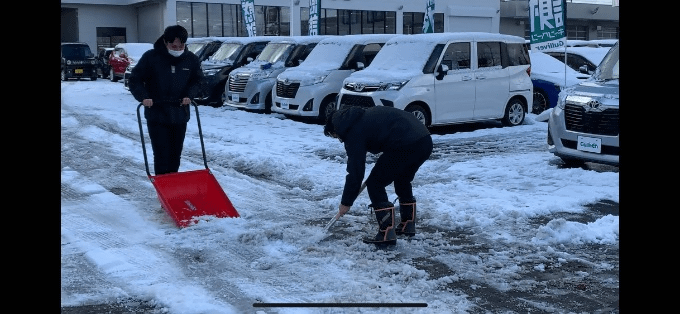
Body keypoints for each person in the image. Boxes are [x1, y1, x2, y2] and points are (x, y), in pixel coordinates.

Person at [324, 106, 433, 246]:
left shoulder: (352, 131)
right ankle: (407, 225)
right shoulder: (360, 117)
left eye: (337, 137)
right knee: (402, 178)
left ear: (336, 129)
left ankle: (386, 232)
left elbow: (356, 171)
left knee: (375, 183)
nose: (340, 140)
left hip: (405, 144)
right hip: (424, 141)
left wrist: (346, 202)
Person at [128, 25, 204, 175]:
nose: (177, 49)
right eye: (173, 46)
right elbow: (134, 80)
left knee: (175, 154)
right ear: (165, 42)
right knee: (162, 154)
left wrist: (190, 94)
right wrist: (144, 97)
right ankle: (162, 187)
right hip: (157, 113)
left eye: (180, 46)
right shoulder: (151, 57)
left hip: (179, 112)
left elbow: (199, 82)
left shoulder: (191, 60)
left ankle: (172, 186)